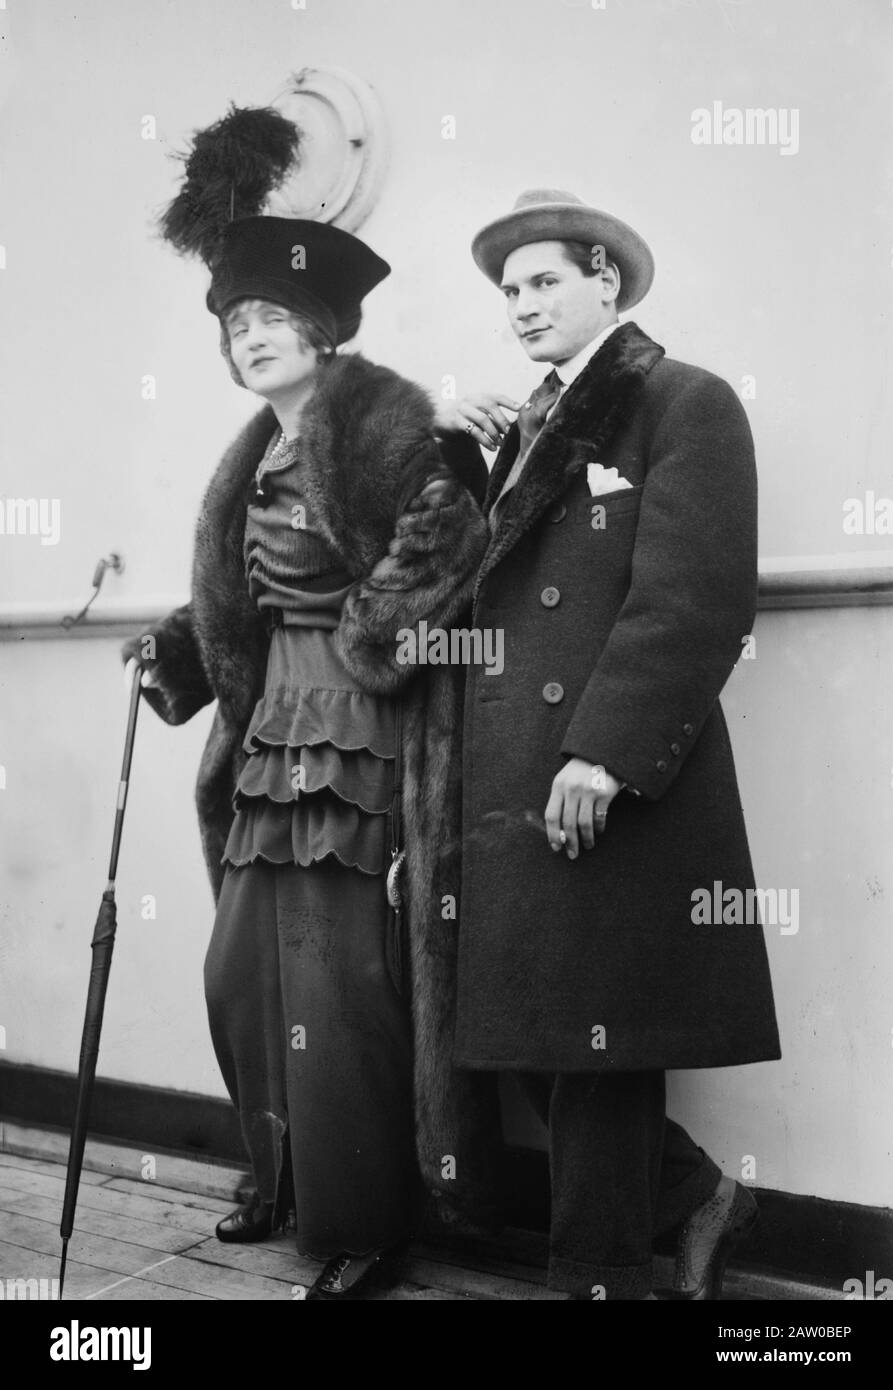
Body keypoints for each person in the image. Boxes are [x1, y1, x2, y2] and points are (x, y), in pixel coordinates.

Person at [121, 180, 503, 1296]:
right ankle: (283, 1177)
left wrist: (371, 632)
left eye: (268, 322)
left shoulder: (380, 413)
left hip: (353, 726)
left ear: (321, 329)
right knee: (242, 973)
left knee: (340, 987)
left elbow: (449, 527)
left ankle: (361, 1219)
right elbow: (241, 592)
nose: (249, 340)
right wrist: (176, 650)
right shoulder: (251, 450)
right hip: (267, 731)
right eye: (235, 328)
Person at [442, 189, 781, 1301]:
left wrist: (603, 753)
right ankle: (694, 1195)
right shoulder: (523, 433)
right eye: (509, 291)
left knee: (596, 1050)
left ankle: (596, 1281)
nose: (522, 306)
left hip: (609, 776)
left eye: (544, 281)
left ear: (606, 282)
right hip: (510, 778)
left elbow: (692, 597)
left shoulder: (684, 400)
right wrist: (467, 458)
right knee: (537, 1028)